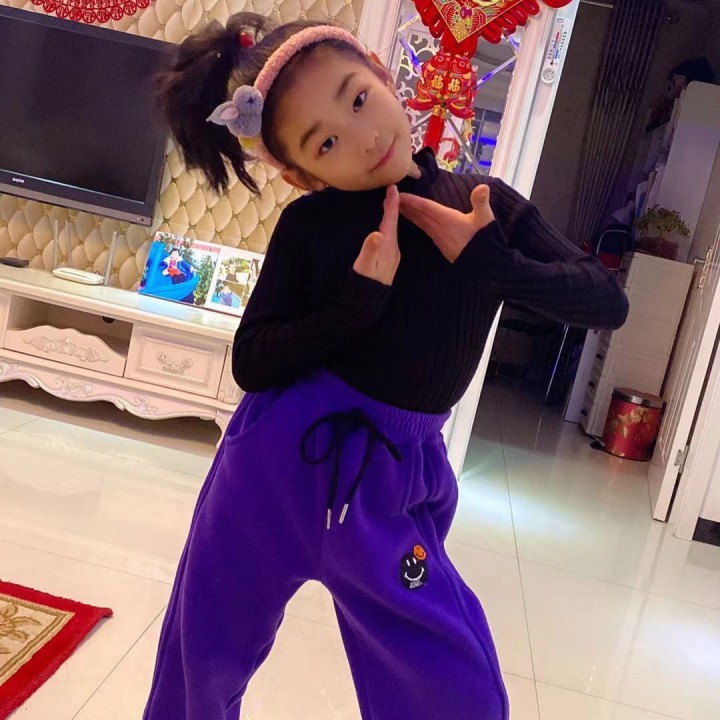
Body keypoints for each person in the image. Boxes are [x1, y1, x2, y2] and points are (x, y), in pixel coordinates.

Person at [145, 12, 628, 720]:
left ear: (379, 68)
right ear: (298, 173)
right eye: (326, 142)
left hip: (392, 480)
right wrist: (355, 304)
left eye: (359, 99)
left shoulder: (484, 205)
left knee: (451, 685)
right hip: (273, 466)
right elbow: (253, 361)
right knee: (203, 654)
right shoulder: (308, 227)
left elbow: (607, 302)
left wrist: (492, 263)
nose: (363, 138)